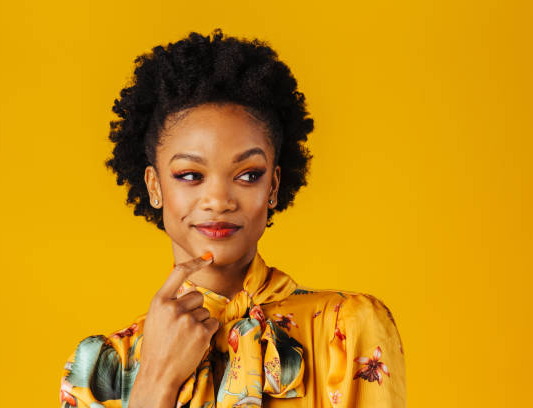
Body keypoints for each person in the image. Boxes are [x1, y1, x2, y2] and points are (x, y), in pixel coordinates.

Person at [59, 28, 406, 408]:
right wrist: (157, 378)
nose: (219, 200)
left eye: (247, 175)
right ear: (154, 186)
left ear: (273, 185)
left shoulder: (344, 328)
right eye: (190, 175)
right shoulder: (100, 368)